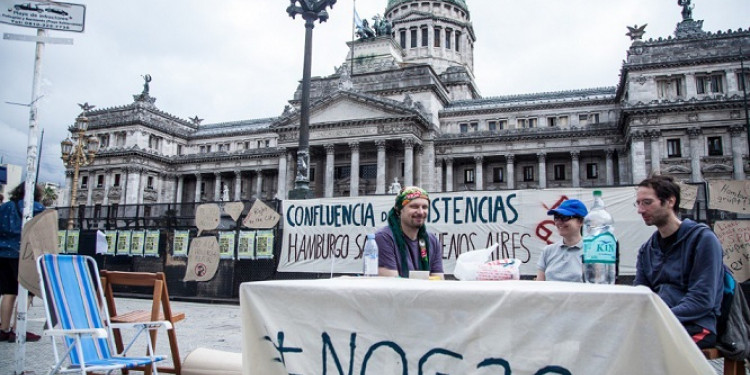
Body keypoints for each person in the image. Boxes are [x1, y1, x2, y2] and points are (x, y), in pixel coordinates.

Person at [633, 175, 723, 349]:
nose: (640, 210)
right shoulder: (646, 250)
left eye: (647, 202)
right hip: (660, 323)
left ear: (670, 201)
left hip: (696, 324)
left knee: (643, 348)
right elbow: (641, 295)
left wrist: (659, 318)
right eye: (638, 203)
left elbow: (702, 300)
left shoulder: (703, 239)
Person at [0, 182, 45, 342]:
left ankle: (3, 328)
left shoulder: (5, 207)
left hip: (3, 254)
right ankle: (17, 330)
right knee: (27, 291)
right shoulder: (37, 208)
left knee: (8, 292)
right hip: (25, 254)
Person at [375, 186, 444, 278]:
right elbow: (390, 285)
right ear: (399, 210)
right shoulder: (383, 238)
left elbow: (439, 281)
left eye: (424, 207)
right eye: (414, 206)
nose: (420, 212)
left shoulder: (432, 240)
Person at [536, 199, 588, 282]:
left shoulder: (591, 252)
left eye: (565, 217)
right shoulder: (548, 251)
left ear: (580, 221)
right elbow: (539, 286)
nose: (559, 222)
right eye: (556, 217)